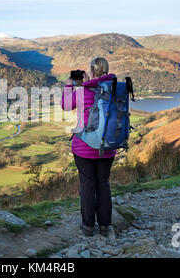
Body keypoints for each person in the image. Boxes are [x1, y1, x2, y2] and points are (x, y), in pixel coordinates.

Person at [61, 57, 117, 237]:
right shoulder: (114, 89)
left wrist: (70, 84)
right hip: (107, 147)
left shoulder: (82, 90)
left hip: (84, 148)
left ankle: (87, 227)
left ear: (91, 72)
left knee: (87, 185)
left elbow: (65, 105)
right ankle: (104, 226)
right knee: (103, 184)